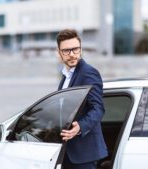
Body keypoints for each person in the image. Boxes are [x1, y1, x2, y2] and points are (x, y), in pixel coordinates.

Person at [56, 29, 108, 169]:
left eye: (75, 49)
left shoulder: (88, 73)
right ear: (59, 53)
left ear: (81, 49)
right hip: (67, 151)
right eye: (67, 51)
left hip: (84, 154)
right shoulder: (66, 76)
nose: (72, 54)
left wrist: (80, 126)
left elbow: (98, 108)